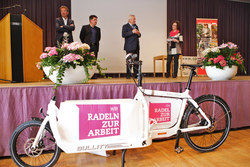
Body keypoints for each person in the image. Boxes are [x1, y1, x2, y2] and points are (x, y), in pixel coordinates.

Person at [122, 15, 141, 79]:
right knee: (129, 61)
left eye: (135, 19)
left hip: (136, 46)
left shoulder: (136, 26)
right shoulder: (125, 26)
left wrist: (138, 33)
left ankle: (136, 74)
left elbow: (139, 35)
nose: (135, 20)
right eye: (133, 19)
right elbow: (123, 34)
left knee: (136, 61)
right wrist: (132, 32)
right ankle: (128, 74)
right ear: (129, 20)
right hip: (129, 46)